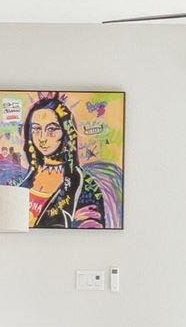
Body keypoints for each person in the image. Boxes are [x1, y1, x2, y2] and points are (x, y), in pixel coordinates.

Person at [17, 91, 117, 229]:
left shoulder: (84, 186)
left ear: (66, 132)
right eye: (36, 129)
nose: (42, 138)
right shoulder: (23, 181)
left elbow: (90, 233)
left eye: (51, 129)